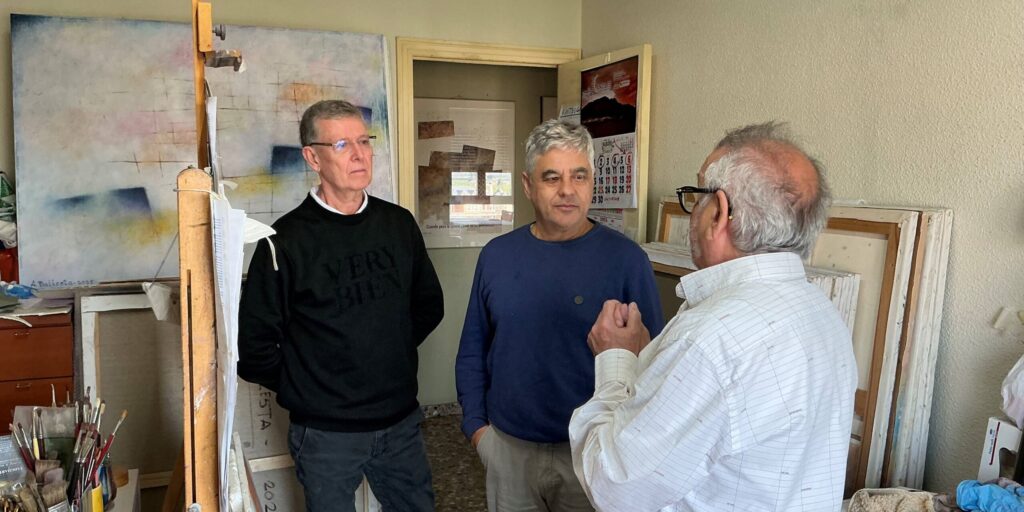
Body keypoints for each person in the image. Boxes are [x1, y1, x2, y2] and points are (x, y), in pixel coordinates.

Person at [569, 122, 857, 511]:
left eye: (696, 194)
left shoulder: (710, 340)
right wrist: (650, 361)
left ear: (720, 212)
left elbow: (615, 489)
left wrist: (616, 360)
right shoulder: (822, 313)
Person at [237, 99, 444, 512]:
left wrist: (388, 351)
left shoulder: (398, 224)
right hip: (326, 433)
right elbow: (255, 348)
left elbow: (428, 306)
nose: (360, 154)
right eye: (343, 145)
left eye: (364, 142)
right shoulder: (284, 241)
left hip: (399, 421)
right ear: (312, 157)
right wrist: (310, 386)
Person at [456, 119, 664, 512]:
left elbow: (653, 364)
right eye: (552, 177)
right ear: (527, 185)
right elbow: (472, 349)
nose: (567, 190)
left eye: (579, 176)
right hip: (509, 449)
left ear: (591, 182)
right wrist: (478, 430)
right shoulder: (497, 257)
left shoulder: (626, 260)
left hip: (593, 453)